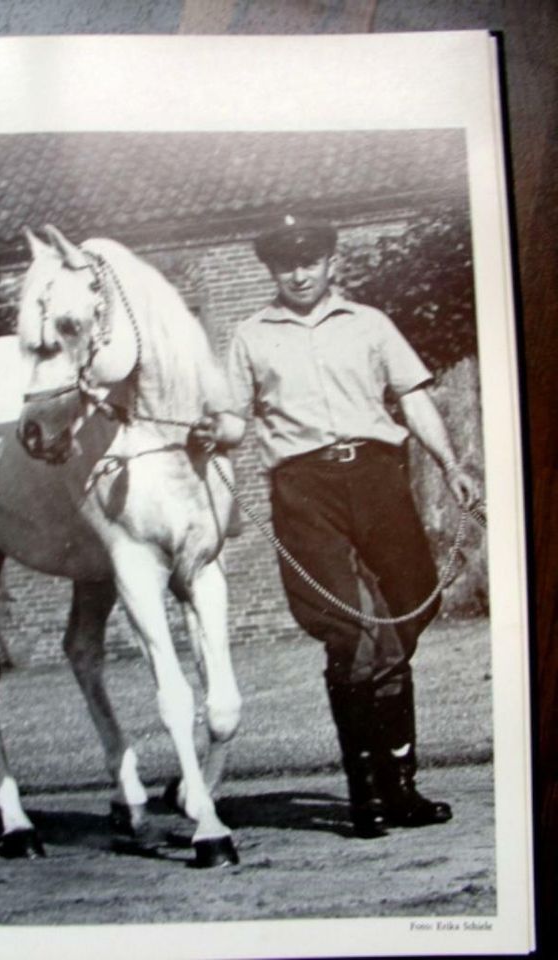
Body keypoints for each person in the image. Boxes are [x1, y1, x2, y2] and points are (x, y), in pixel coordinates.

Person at [190, 213, 480, 838]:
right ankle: (366, 795)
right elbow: (237, 420)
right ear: (271, 269)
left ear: (330, 263)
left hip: (378, 478)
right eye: (286, 263)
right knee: (348, 631)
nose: (299, 272)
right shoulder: (249, 336)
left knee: (404, 617)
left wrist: (452, 464)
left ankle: (401, 788)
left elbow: (414, 396)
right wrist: (217, 433)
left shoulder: (370, 324)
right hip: (303, 487)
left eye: (310, 260)